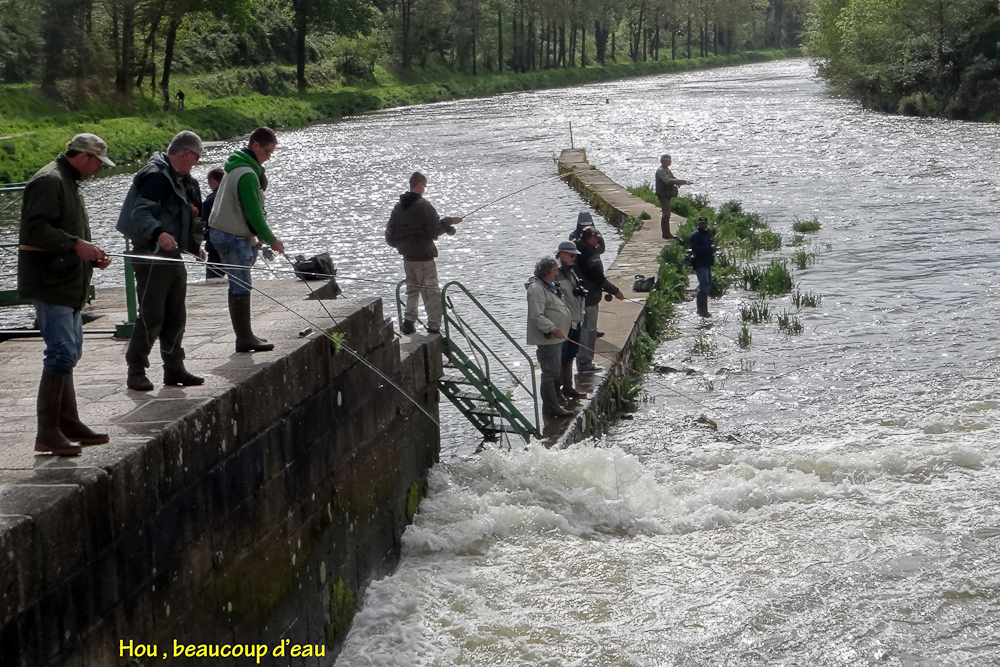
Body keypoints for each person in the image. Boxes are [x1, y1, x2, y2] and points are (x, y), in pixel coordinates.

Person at [18, 133, 115, 456]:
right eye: (98, 163)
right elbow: (34, 230)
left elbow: (67, 232)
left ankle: (68, 423)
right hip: (51, 282)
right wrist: (77, 245)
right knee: (60, 351)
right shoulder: (49, 181)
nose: (99, 169)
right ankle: (47, 433)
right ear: (84, 157)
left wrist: (90, 253)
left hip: (67, 280)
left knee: (69, 351)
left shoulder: (67, 181)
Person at [116, 130, 206, 391]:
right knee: (152, 314)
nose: (197, 163)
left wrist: (193, 246)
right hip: (151, 254)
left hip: (173, 256)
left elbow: (190, 216)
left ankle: (174, 369)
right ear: (186, 154)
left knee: (176, 314)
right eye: (196, 157)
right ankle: (136, 371)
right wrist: (159, 233)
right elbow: (140, 214)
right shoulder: (155, 176)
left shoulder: (185, 180)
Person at [207, 127, 285, 352]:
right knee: (241, 284)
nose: (269, 157)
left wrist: (255, 240)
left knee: (238, 283)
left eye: (272, 153)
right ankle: (244, 339)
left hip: (225, 233)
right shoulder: (247, 175)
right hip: (231, 235)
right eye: (268, 152)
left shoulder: (236, 167)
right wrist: (272, 240)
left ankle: (246, 335)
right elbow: (254, 214)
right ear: (255, 146)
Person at [385, 172, 462, 335]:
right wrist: (449, 222)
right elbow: (434, 230)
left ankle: (409, 322)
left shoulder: (398, 208)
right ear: (419, 184)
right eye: (425, 185)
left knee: (412, 290)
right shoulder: (424, 206)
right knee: (431, 291)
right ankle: (434, 327)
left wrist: (403, 246)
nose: (425, 189)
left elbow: (389, 236)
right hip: (425, 257)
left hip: (408, 257)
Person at [525, 257, 574, 418]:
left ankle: (552, 406)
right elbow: (536, 315)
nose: (557, 273)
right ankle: (552, 407)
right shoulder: (536, 289)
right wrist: (553, 328)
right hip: (548, 339)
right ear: (546, 272)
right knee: (549, 373)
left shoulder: (548, 286)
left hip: (556, 338)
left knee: (553, 371)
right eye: (554, 271)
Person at [574, 226, 624, 373]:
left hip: (577, 298)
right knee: (589, 330)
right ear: (591, 238)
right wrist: (615, 291)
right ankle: (585, 364)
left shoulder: (575, 249)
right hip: (588, 298)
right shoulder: (589, 253)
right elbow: (598, 278)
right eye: (596, 238)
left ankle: (582, 362)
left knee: (580, 330)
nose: (597, 241)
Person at [555, 241, 587, 399]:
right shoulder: (554, 274)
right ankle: (557, 391)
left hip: (576, 321)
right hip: (564, 324)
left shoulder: (571, 271)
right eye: (571, 255)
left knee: (570, 355)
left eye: (575, 255)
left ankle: (568, 387)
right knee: (561, 357)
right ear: (561, 254)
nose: (574, 258)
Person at [655, 154, 692, 240]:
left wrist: (683, 182)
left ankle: (667, 233)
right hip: (663, 194)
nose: (671, 162)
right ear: (664, 161)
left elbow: (672, 178)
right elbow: (667, 181)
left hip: (666, 194)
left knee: (667, 213)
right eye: (669, 160)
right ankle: (666, 234)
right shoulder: (661, 171)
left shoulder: (666, 170)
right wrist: (679, 181)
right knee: (666, 214)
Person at [202, 167, 226, 282]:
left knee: (213, 279)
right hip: (237, 243)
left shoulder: (210, 200)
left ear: (212, 181)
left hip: (215, 246)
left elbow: (205, 223)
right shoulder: (234, 196)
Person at [690, 216, 716, 317]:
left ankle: (704, 310)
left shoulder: (708, 233)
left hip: (708, 263)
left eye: (705, 223)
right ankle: (701, 311)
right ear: (698, 224)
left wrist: (716, 251)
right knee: (704, 285)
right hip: (700, 263)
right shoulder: (695, 235)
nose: (703, 225)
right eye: (701, 223)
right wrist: (709, 247)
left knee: (708, 285)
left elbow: (711, 246)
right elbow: (696, 249)